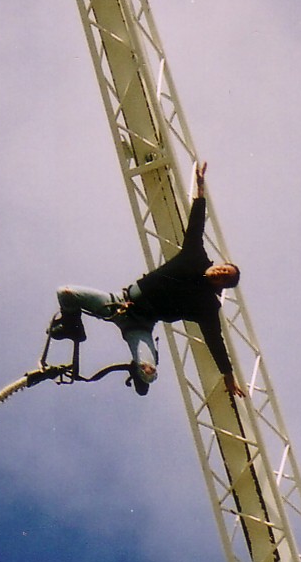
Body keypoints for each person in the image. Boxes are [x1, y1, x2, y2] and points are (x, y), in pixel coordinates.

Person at [52, 163, 246, 397]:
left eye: (225, 277)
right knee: (65, 293)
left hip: (140, 326)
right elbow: (196, 224)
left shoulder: (206, 305)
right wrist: (201, 189)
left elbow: (216, 341)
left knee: (148, 372)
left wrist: (228, 375)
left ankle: (139, 370)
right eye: (223, 269)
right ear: (219, 264)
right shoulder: (195, 256)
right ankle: (73, 325)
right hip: (119, 303)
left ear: (221, 286)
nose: (220, 273)